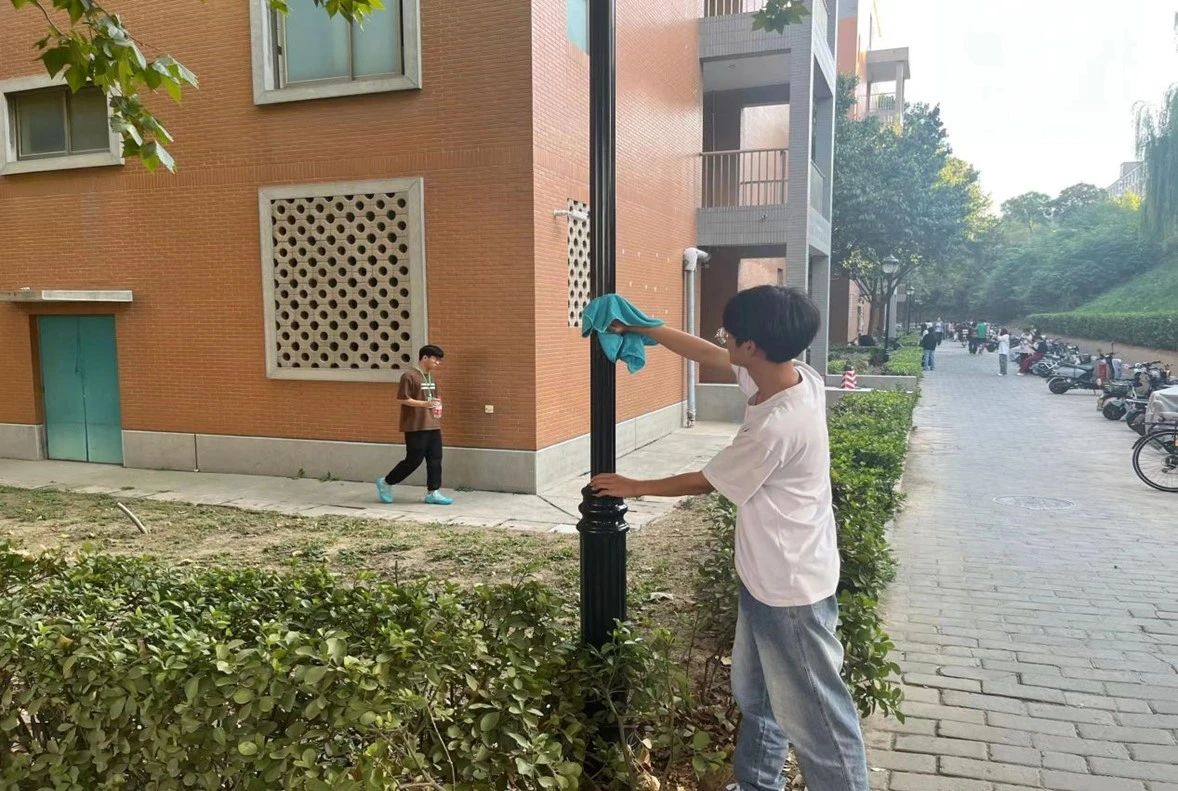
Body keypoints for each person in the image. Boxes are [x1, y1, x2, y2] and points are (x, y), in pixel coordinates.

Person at [590, 286, 870, 791]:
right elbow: (709, 354)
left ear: (752, 347)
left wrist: (635, 486)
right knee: (759, 699)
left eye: (730, 335)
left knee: (819, 720)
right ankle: (756, 783)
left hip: (790, 590)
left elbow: (707, 481)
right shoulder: (794, 376)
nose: (724, 342)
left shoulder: (778, 425)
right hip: (770, 577)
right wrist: (645, 327)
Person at [375, 344, 454, 506]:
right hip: (415, 425)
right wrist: (425, 404)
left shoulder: (431, 377)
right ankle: (386, 482)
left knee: (435, 459)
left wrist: (436, 406)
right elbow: (402, 399)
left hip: (433, 424)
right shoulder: (409, 376)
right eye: (435, 359)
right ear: (425, 357)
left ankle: (433, 492)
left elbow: (432, 399)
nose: (438, 363)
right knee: (413, 460)